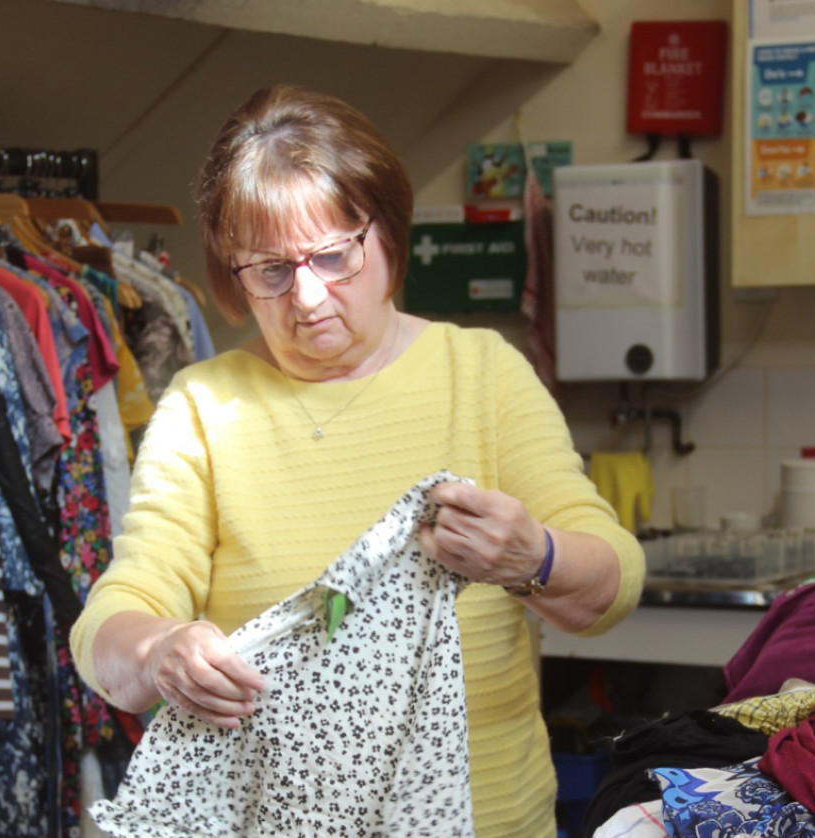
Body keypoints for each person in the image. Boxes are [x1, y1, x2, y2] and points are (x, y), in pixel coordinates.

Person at [69, 83, 645, 838]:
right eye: (270, 271)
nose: (307, 297)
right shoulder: (205, 407)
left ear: (387, 236)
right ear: (231, 274)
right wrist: (160, 651)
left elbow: (613, 585)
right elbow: (110, 622)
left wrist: (532, 555)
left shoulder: (482, 374)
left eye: (333, 256)